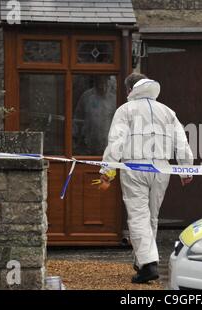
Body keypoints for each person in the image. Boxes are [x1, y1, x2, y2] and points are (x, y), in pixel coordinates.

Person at [99, 73, 194, 283]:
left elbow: (116, 141)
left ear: (129, 90)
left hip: (134, 167)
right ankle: (142, 261)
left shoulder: (125, 110)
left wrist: (107, 171)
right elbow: (181, 141)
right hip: (161, 169)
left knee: (138, 216)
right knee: (151, 216)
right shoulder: (168, 111)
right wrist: (186, 170)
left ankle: (149, 264)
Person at [73, 75, 116, 155]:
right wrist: (75, 138)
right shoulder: (87, 97)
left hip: (109, 144)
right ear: (96, 83)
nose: (103, 87)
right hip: (89, 145)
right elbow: (78, 118)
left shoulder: (114, 99)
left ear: (109, 83)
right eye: (100, 83)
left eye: (105, 84)